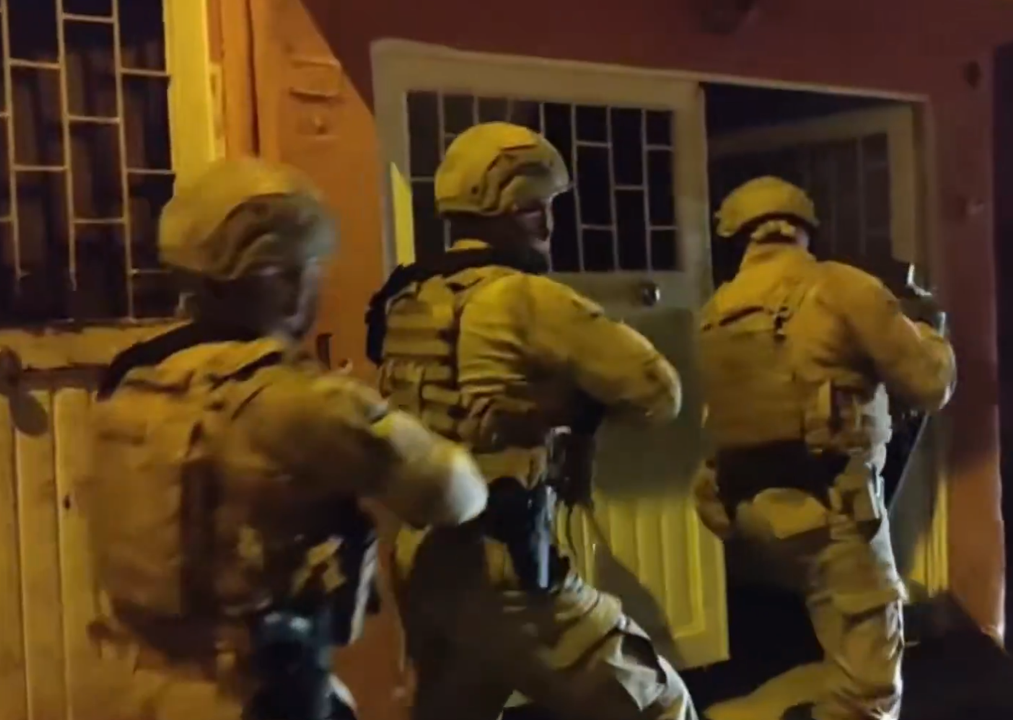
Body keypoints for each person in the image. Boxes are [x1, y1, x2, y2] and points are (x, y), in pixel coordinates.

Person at [79, 157, 490, 720]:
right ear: (288, 282)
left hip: (135, 690)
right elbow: (454, 492)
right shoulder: (294, 400)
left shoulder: (133, 382)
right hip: (254, 696)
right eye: (311, 269)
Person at [366, 121, 698, 720]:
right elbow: (658, 392)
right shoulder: (522, 296)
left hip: (422, 556)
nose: (547, 224)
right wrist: (575, 408)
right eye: (535, 207)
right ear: (508, 210)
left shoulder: (409, 297)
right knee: (655, 701)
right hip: (503, 560)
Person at [690, 177, 956, 720]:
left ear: (738, 236)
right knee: (870, 685)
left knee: (832, 629)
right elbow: (930, 384)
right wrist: (926, 331)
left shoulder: (717, 310)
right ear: (803, 227)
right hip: (830, 508)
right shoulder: (839, 286)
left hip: (754, 513)